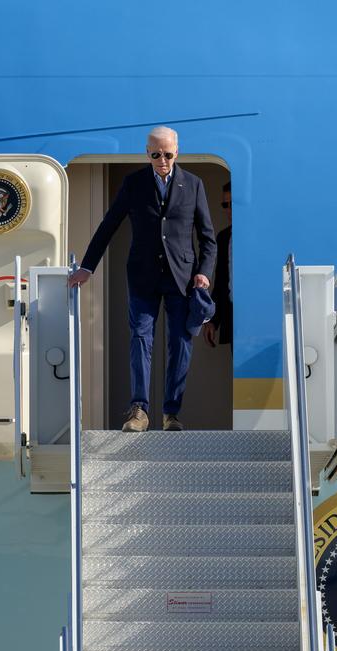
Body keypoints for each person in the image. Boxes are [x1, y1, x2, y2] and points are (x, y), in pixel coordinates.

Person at [68, 126, 216, 432]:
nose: (162, 160)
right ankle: (139, 411)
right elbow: (108, 226)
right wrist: (87, 267)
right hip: (142, 276)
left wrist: (204, 271)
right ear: (147, 153)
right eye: (156, 154)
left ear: (178, 151)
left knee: (180, 343)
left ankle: (171, 413)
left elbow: (207, 237)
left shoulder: (194, 184)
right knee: (140, 340)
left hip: (182, 278)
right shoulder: (133, 184)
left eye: (168, 154)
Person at [204, 181, 232, 347]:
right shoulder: (224, 238)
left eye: (232, 203)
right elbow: (221, 283)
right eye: (225, 204)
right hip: (233, 320)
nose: (229, 209)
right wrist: (213, 321)